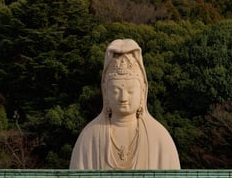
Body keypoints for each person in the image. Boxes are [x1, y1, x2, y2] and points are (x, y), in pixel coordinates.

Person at [69, 39, 181, 170]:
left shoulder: (159, 137)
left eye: (130, 91)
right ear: (105, 91)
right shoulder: (89, 137)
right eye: (116, 90)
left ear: (143, 91)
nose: (123, 98)